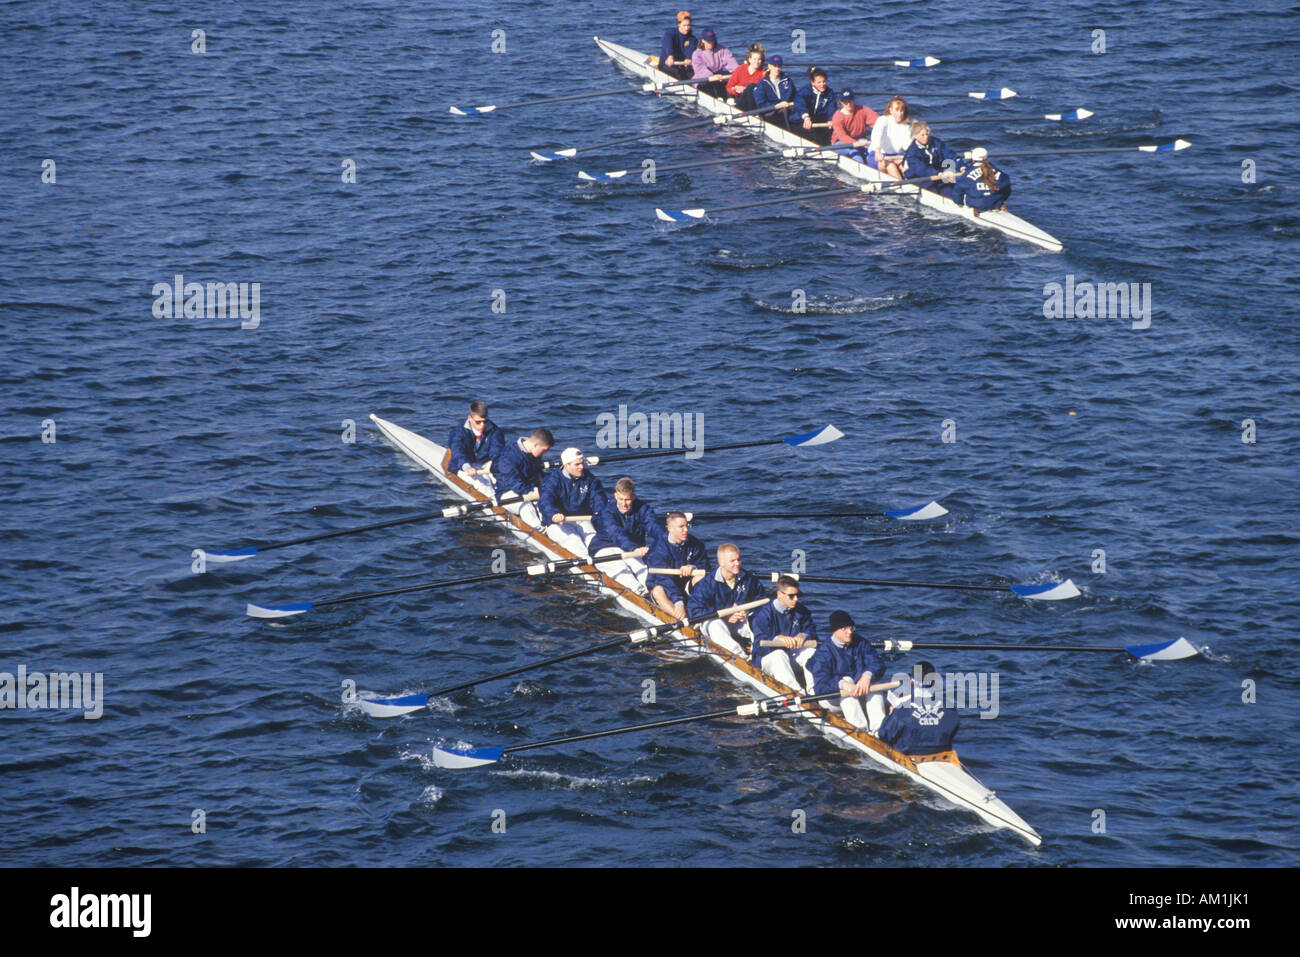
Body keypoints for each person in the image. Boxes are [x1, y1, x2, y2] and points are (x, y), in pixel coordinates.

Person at [807, 610, 888, 732]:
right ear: (835, 630)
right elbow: (820, 687)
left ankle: (879, 729)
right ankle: (861, 730)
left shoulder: (861, 643)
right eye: (844, 629)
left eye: (851, 627)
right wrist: (843, 684)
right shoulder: (823, 653)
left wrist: (867, 676)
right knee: (846, 681)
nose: (849, 632)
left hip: (857, 692)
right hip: (831, 698)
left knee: (875, 683)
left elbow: (877, 662)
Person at [686, 543, 769, 657]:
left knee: (758, 620)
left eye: (739, 559)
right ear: (721, 563)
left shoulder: (749, 579)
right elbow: (694, 610)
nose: (737, 564)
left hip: (738, 621)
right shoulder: (706, 584)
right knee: (715, 625)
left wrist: (747, 612)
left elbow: (762, 601)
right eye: (732, 561)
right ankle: (741, 658)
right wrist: (725, 614)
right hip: (713, 621)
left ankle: (762, 653)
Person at [588, 477, 659, 594]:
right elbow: (616, 533)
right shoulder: (607, 511)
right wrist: (634, 549)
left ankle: (655, 593)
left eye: (627, 500)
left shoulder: (643, 508)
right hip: (604, 547)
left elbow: (655, 527)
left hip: (632, 549)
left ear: (633, 497)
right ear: (615, 496)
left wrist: (668, 543)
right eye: (620, 499)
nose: (624, 504)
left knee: (642, 569)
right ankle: (638, 593)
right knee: (621, 569)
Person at [749, 575, 817, 690]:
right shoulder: (762, 614)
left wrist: (803, 635)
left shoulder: (801, 610)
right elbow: (759, 645)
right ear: (779, 594)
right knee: (779, 654)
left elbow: (811, 630)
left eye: (798, 595)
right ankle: (797, 694)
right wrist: (777, 640)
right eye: (791, 596)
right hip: (768, 657)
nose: (796, 599)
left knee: (811, 652)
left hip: (791, 655)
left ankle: (815, 691)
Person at [878, 661, 960, 755]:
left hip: (908, 754)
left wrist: (891, 714)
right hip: (940, 753)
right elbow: (953, 730)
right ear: (934, 683)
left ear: (911, 682)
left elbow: (883, 735)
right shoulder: (951, 709)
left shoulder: (901, 711)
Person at [538, 447, 606, 557]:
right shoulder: (552, 480)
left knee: (594, 540)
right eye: (577, 464)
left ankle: (604, 562)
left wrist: (599, 511)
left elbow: (598, 498)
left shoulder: (590, 479)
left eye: (582, 463)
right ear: (566, 465)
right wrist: (554, 514)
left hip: (582, 519)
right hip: (558, 522)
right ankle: (586, 564)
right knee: (574, 540)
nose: (582, 467)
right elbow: (545, 501)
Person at [645, 511, 709, 619]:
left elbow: (705, 567)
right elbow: (664, 579)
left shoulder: (696, 544)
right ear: (670, 528)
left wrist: (692, 567)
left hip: (684, 584)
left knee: (701, 577)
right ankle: (682, 620)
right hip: (664, 585)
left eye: (686, 525)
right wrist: (678, 602)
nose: (686, 530)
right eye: (681, 527)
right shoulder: (657, 550)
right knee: (657, 591)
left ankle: (700, 613)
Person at [492, 427, 554, 523]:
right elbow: (515, 483)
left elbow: (538, 475)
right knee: (527, 507)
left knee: (549, 503)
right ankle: (538, 532)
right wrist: (536, 492)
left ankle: (552, 527)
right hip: (507, 492)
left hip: (529, 489)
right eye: (544, 450)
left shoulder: (535, 453)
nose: (545, 453)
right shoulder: (508, 456)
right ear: (535, 445)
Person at [902, 121, 962, 197]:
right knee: (946, 190)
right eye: (922, 135)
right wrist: (938, 174)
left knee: (958, 185)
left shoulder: (936, 142)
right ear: (915, 136)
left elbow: (950, 155)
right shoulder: (912, 152)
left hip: (936, 174)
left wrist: (961, 166)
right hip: (919, 177)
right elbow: (921, 169)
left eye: (927, 134)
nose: (926, 137)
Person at [446, 401, 505, 479]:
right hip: (463, 465)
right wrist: (467, 467)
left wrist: (497, 464)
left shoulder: (495, 431)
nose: (482, 425)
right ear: (470, 418)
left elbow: (496, 451)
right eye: (478, 422)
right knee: (483, 487)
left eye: (485, 421)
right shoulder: (459, 432)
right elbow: (458, 451)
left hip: (485, 464)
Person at [952, 147, 1011, 216]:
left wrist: (960, 204)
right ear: (986, 158)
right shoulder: (1000, 172)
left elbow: (957, 194)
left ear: (973, 160)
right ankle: (999, 205)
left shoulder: (966, 175)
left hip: (977, 207)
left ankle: (975, 208)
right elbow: (1007, 191)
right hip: (996, 204)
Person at [829, 89, 879, 163]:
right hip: (839, 144)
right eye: (845, 102)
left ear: (853, 100)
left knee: (872, 150)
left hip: (859, 140)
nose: (848, 104)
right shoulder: (837, 117)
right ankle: (861, 166)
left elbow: (878, 122)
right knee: (854, 151)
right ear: (840, 102)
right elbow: (843, 137)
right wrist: (856, 143)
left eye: (850, 100)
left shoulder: (862, 110)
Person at [868, 95, 912, 179]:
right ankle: (902, 187)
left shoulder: (906, 127)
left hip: (897, 156)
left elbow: (908, 146)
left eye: (902, 110)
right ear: (890, 110)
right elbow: (877, 134)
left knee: (907, 167)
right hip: (878, 155)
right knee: (890, 165)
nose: (899, 114)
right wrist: (877, 151)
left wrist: (906, 163)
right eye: (897, 110)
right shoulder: (883, 120)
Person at [792, 67, 836, 145]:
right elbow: (800, 105)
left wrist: (831, 119)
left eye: (824, 81)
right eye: (819, 82)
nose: (822, 85)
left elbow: (832, 107)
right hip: (802, 119)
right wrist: (806, 117)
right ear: (812, 83)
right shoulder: (803, 92)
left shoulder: (830, 93)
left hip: (819, 120)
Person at [690, 28, 737, 98]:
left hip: (719, 76)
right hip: (703, 79)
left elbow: (731, 61)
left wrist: (738, 72)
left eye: (712, 40)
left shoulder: (722, 49)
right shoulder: (697, 54)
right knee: (710, 88)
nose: (711, 43)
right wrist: (712, 76)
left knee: (732, 82)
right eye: (708, 41)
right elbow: (701, 71)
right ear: (703, 41)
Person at [751, 55, 795, 129]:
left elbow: (795, 96)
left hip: (787, 108)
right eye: (774, 66)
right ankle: (790, 133)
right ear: (769, 66)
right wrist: (777, 105)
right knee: (784, 111)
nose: (777, 69)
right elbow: (760, 104)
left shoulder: (788, 81)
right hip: (770, 112)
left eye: (779, 66)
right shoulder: (762, 84)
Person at [726, 43, 767, 110]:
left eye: (759, 59)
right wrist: (736, 90)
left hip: (754, 102)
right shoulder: (740, 69)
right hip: (740, 100)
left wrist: (745, 89)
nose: (757, 62)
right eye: (754, 59)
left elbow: (762, 92)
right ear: (749, 59)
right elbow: (729, 87)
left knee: (751, 87)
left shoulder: (763, 73)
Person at [659, 11, 698, 80]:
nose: (687, 28)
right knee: (678, 74)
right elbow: (668, 44)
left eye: (688, 25)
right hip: (667, 64)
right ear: (679, 24)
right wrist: (670, 56)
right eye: (684, 25)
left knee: (694, 75)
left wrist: (688, 58)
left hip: (682, 66)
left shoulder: (692, 39)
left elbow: (690, 50)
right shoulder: (670, 33)